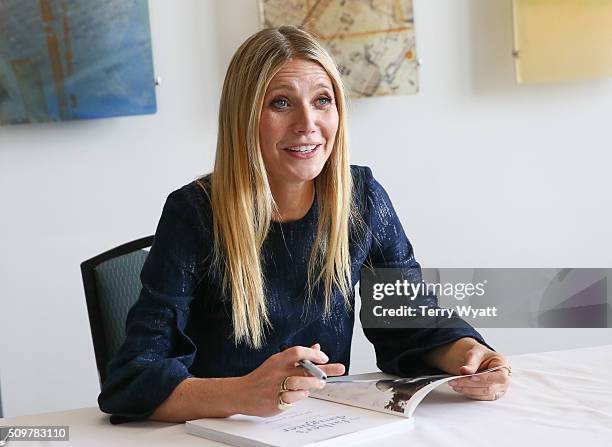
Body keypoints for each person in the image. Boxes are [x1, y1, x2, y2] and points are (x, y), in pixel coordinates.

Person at [98, 26, 511, 424]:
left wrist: (468, 354)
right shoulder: (194, 213)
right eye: (281, 103)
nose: (307, 123)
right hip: (221, 435)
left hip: (323, 428)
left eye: (322, 100)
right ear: (245, 117)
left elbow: (406, 317)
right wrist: (245, 393)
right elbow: (132, 379)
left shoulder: (361, 198)